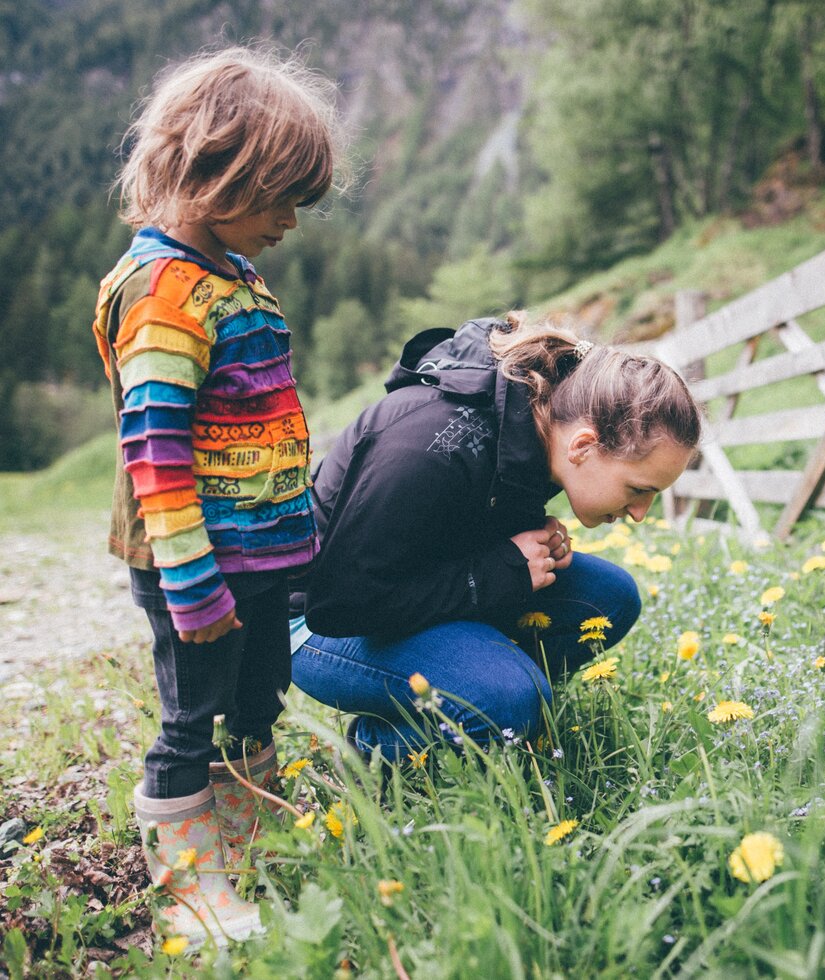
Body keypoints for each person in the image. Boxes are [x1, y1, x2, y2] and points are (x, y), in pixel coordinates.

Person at [91, 46, 344, 950]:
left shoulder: (231, 276)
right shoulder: (164, 292)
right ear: (213, 175)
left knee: (260, 697)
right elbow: (155, 451)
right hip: (198, 565)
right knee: (190, 720)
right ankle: (194, 884)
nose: (288, 221)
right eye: (278, 198)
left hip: (260, 558)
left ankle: (245, 843)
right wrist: (194, 583)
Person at [288, 312, 702, 763]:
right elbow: (340, 604)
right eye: (638, 490)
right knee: (509, 701)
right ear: (583, 446)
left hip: (405, 589)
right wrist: (501, 571)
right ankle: (374, 749)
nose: (640, 514)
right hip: (315, 620)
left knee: (610, 597)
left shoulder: (537, 421)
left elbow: (455, 522)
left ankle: (482, 703)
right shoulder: (427, 445)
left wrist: (523, 543)